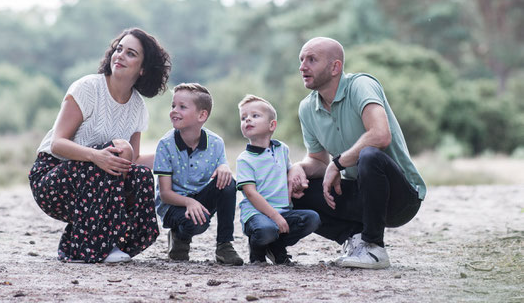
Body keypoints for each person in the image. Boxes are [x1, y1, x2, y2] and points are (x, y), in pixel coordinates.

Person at [29, 27, 171, 264]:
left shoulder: (138, 107)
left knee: (141, 175)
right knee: (108, 157)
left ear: (143, 68)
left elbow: (131, 161)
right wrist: (97, 156)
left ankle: (103, 242)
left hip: (96, 179)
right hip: (52, 177)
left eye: (131, 53)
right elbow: (57, 144)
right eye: (119, 49)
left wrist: (171, 157)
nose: (120, 56)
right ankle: (97, 246)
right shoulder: (87, 88)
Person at [289, 37, 426, 269]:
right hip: (361, 196)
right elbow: (318, 162)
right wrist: (296, 168)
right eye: (301, 60)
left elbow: (381, 135)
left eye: (312, 60)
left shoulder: (360, 85)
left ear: (335, 67)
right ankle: (355, 238)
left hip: (400, 199)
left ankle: (374, 248)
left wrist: (338, 163)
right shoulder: (306, 108)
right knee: (294, 190)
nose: (303, 66)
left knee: (369, 155)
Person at [153, 83, 244, 265]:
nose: (174, 111)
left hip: (200, 201)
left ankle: (224, 245)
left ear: (202, 115)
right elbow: (165, 194)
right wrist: (189, 202)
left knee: (229, 183)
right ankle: (180, 237)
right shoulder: (165, 145)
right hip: (173, 205)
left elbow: (222, 171)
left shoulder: (216, 143)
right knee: (196, 224)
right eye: (173, 106)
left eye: (182, 107)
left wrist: (224, 167)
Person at [236, 95, 320, 264]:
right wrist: (275, 216)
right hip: (256, 214)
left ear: (271, 125)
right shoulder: (244, 159)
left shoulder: (282, 149)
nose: (248, 120)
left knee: (312, 219)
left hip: (283, 210)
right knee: (267, 230)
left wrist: (295, 180)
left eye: (255, 116)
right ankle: (257, 250)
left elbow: (289, 171)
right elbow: (251, 194)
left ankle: (276, 246)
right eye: (244, 118)